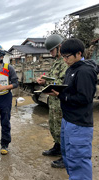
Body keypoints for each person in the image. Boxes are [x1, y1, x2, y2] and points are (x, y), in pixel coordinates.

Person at [50, 38, 98, 180]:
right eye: (63, 56)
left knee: (78, 161)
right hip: (68, 120)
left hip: (79, 124)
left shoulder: (84, 71)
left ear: (78, 54)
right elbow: (70, 90)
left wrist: (61, 96)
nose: (65, 60)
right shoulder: (72, 68)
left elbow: (84, 98)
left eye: (67, 56)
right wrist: (59, 92)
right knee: (69, 157)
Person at [36, 34, 67, 168]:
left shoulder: (65, 62)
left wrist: (47, 81)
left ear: (59, 47)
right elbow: (53, 79)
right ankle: (57, 147)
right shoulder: (56, 62)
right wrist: (44, 81)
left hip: (60, 100)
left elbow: (62, 82)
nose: (50, 53)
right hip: (53, 101)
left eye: (52, 50)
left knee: (61, 128)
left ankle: (65, 157)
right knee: (54, 126)